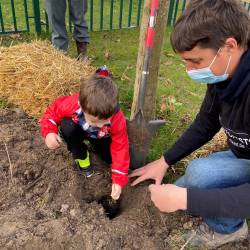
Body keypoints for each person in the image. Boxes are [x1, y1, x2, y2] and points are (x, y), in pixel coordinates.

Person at [129, 0, 250, 248]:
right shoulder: (224, 73)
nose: (189, 70)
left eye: (195, 60)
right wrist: (164, 161)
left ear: (229, 45)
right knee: (191, 182)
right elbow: (206, 123)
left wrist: (187, 199)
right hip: (243, 154)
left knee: (198, 179)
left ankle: (230, 229)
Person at [40, 67, 130, 200]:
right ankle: (82, 155)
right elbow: (52, 114)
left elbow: (120, 147)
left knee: (109, 158)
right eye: (95, 121)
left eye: (104, 121)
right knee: (67, 126)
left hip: (103, 137)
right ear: (81, 107)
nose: (100, 125)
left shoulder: (117, 119)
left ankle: (99, 150)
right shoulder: (72, 105)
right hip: (79, 130)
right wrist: (49, 133)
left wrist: (118, 179)